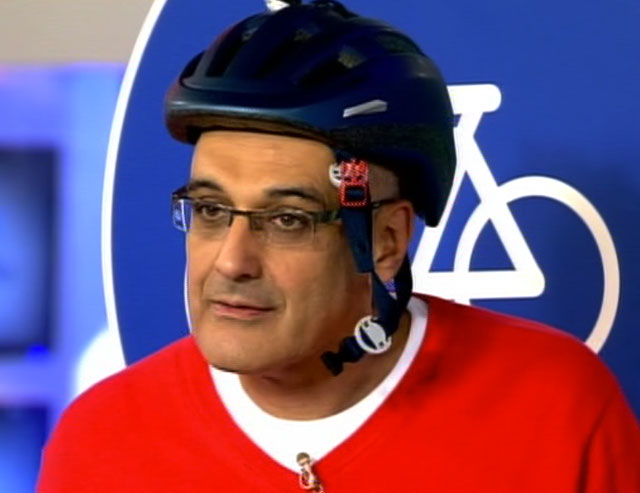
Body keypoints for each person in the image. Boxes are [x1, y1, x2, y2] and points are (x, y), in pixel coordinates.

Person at [38, 1, 640, 491]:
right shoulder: (102, 440)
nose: (232, 261)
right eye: (213, 211)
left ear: (387, 240)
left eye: (288, 220)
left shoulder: (555, 408)